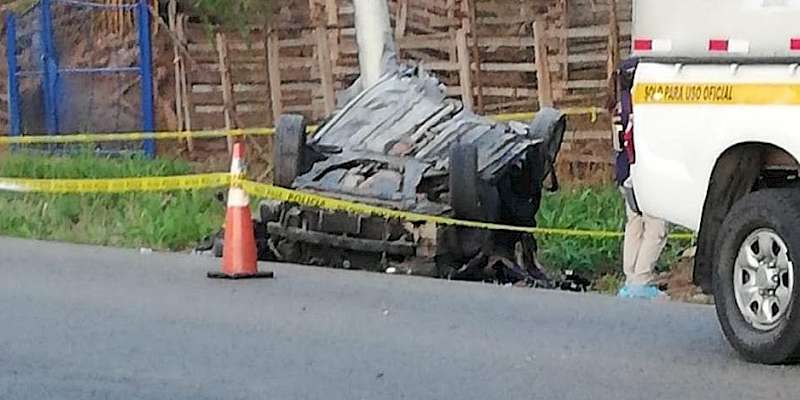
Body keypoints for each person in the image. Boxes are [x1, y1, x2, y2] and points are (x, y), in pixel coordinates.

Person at [611, 59, 668, 300]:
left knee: (634, 224)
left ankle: (630, 276)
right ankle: (641, 279)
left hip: (624, 171)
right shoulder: (639, 105)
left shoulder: (617, 105)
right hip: (642, 172)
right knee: (656, 226)